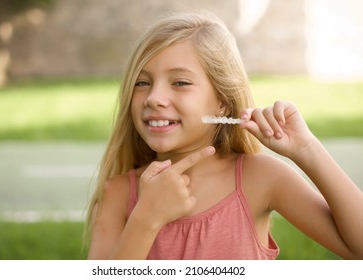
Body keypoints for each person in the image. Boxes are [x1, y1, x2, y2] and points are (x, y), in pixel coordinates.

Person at [86, 11, 363, 260]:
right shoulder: (119, 194)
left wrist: (307, 149)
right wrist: (146, 217)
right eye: (142, 82)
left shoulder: (261, 178)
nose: (154, 98)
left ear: (222, 101)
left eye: (180, 82)